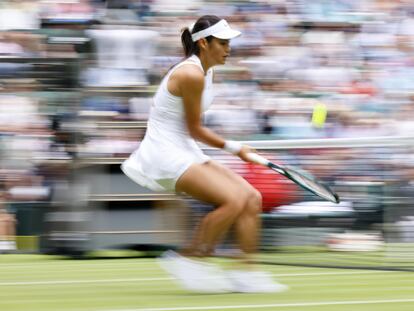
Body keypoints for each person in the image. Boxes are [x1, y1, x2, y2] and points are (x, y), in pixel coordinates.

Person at [122, 15, 287, 293]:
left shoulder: (206, 71)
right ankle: (189, 259)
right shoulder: (191, 74)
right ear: (203, 42)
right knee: (233, 199)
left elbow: (191, 131)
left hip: (184, 148)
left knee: (251, 198)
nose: (228, 49)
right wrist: (238, 149)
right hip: (165, 153)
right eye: (222, 43)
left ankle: (246, 271)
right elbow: (196, 129)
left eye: (228, 43)